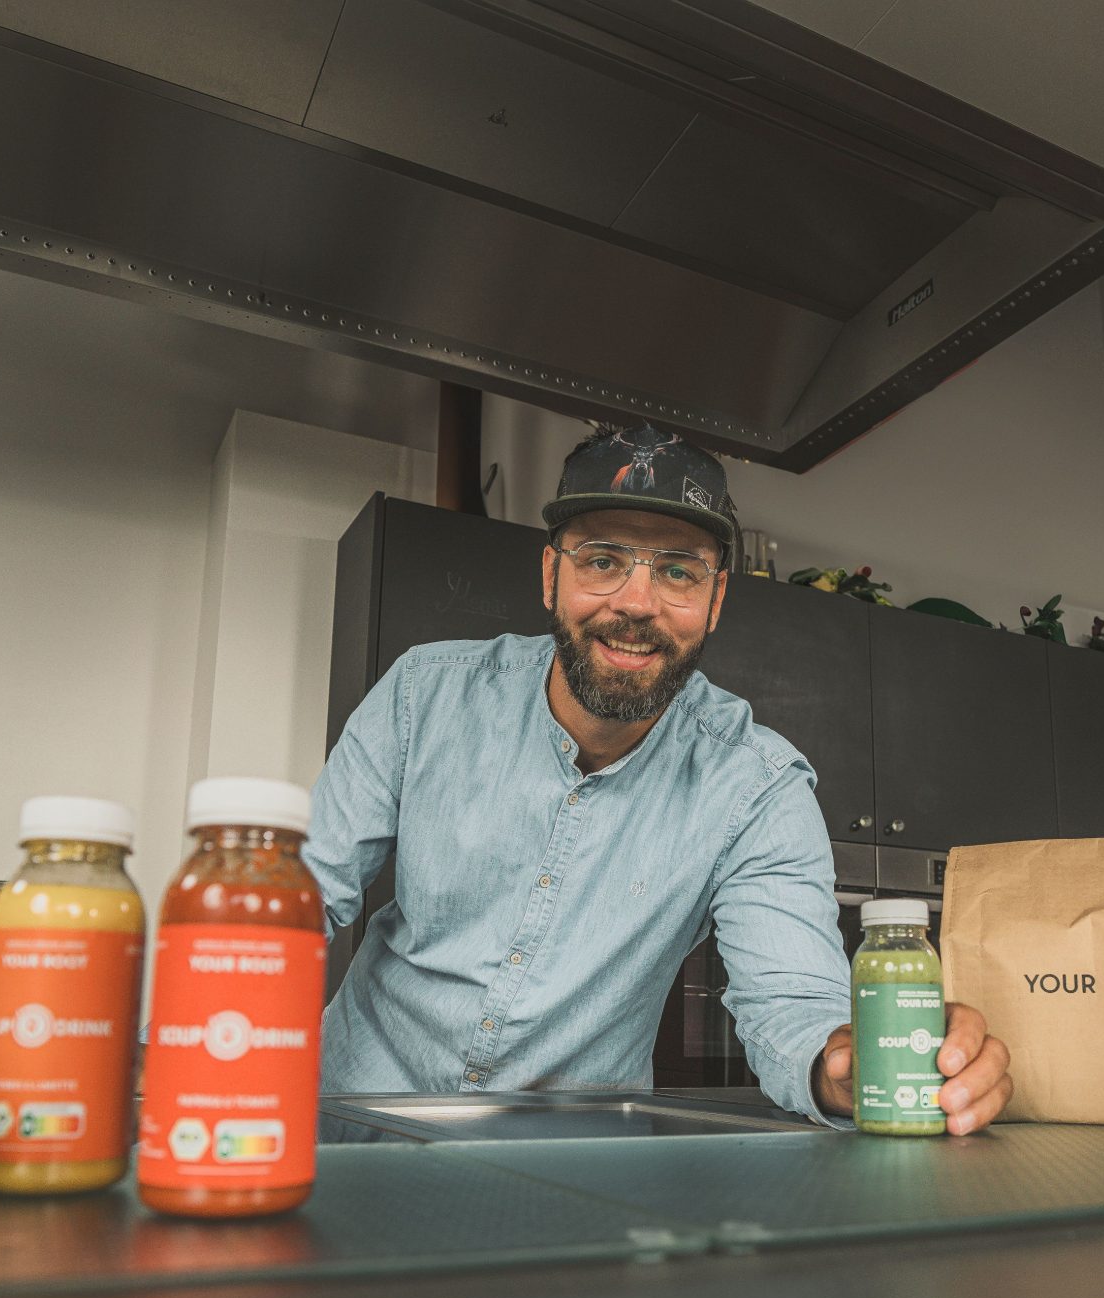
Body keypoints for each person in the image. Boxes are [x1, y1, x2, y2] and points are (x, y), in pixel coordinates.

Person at [307, 423, 1012, 1131]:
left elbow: (795, 1003)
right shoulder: (422, 695)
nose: (637, 603)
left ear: (716, 598)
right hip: (348, 1123)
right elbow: (302, 896)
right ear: (551, 576)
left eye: (678, 571)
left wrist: (849, 1068)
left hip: (565, 1166)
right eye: (602, 560)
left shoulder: (758, 788)